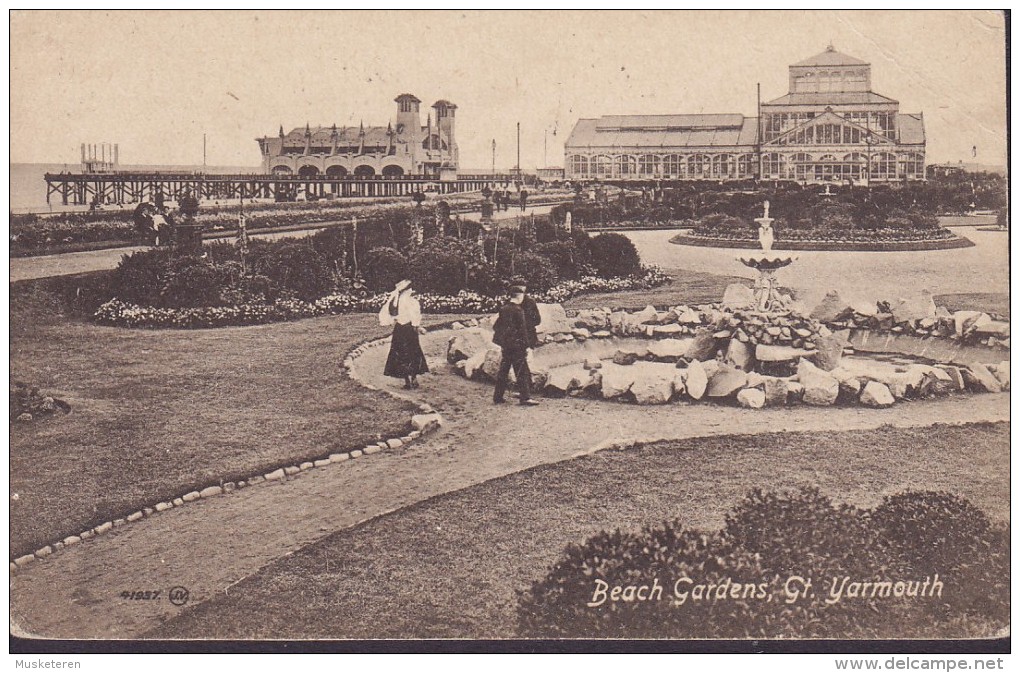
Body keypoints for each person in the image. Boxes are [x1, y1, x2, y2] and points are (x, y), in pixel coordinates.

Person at [492, 285, 539, 406]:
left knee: (503, 370)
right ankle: (525, 397)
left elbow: (496, 326)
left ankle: (497, 396)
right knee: (522, 370)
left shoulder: (504, 309)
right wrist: (526, 346)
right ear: (520, 296)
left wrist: (503, 341)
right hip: (517, 346)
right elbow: (522, 330)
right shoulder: (518, 310)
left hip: (506, 346)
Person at [379, 280, 429, 389]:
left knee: (401, 354)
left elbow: (391, 314)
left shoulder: (396, 301)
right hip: (409, 329)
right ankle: (413, 379)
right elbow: (414, 317)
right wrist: (417, 327)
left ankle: (407, 381)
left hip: (400, 329)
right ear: (408, 290)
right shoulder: (411, 302)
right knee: (413, 352)